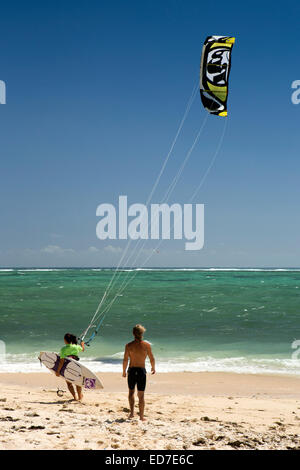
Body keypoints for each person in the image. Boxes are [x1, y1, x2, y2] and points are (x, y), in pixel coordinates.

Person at [122, 324, 155, 421]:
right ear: (142, 333)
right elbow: (151, 358)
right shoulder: (147, 345)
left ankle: (132, 413)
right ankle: (141, 416)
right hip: (141, 371)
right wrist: (153, 367)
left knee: (131, 392)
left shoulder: (129, 345)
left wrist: (124, 371)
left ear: (133, 333)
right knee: (141, 395)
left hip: (132, 370)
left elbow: (125, 360)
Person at [56, 333, 85, 401]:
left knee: (69, 384)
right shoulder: (76, 347)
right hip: (76, 367)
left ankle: (75, 397)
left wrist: (58, 371)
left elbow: (61, 362)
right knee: (78, 383)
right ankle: (80, 397)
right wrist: (82, 344)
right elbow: (82, 349)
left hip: (67, 368)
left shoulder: (63, 349)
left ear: (65, 340)